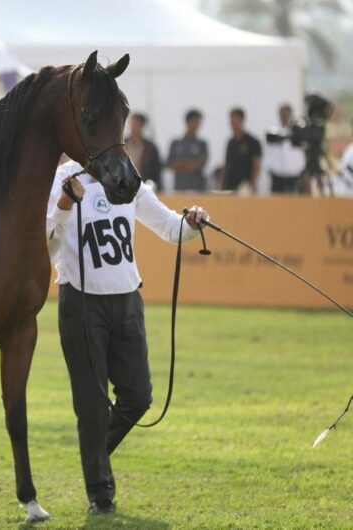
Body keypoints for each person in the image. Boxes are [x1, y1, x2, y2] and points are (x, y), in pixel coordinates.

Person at [47, 159, 209, 515]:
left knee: (138, 396)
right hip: (81, 302)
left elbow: (169, 227)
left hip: (127, 300)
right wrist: (63, 204)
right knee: (91, 404)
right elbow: (46, 245)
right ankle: (100, 492)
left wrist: (192, 222)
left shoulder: (127, 176)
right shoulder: (63, 178)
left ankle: (94, 453)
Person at [264, 104, 305, 194]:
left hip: (294, 175)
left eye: (286, 115)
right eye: (282, 115)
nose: (284, 118)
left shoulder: (297, 134)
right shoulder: (273, 133)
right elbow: (268, 153)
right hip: (277, 176)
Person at [221, 108, 262, 193]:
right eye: (231, 121)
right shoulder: (231, 142)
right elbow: (227, 164)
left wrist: (252, 182)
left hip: (245, 184)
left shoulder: (252, 142)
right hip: (230, 184)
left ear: (241, 120)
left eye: (235, 121)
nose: (233, 124)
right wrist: (222, 184)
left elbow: (256, 164)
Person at [167, 109, 208, 191]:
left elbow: (199, 165)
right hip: (179, 187)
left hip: (197, 188)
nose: (198, 125)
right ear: (189, 121)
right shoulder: (176, 143)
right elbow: (170, 164)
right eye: (196, 121)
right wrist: (188, 164)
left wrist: (181, 164)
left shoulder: (202, 144)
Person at [125, 112, 162, 190]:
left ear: (142, 125)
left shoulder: (150, 147)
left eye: (136, 123)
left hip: (144, 186)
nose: (133, 126)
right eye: (132, 123)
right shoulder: (122, 144)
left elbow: (156, 169)